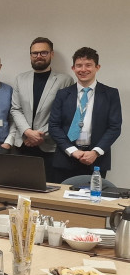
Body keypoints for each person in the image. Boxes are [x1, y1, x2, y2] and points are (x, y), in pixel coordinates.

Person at [48, 47, 122, 180]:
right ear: (73, 68)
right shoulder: (63, 94)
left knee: (93, 199)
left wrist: (95, 152)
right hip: (66, 158)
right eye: (79, 66)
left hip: (96, 160)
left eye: (88, 65)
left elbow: (114, 127)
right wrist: (73, 151)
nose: (83, 69)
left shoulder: (111, 94)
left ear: (97, 67)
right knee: (61, 199)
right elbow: (54, 126)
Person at [9, 37, 74, 183]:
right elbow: (15, 109)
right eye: (35, 53)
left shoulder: (65, 80)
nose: (38, 56)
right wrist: (27, 132)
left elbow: (64, 115)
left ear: (51, 54)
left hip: (49, 146)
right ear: (30, 55)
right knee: (21, 189)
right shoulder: (20, 79)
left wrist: (39, 136)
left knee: (48, 191)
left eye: (43, 52)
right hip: (23, 145)